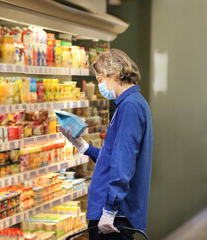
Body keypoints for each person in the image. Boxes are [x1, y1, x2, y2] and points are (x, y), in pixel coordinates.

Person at [60, 49, 153, 240]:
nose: (100, 85)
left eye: (100, 79)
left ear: (114, 74)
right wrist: (84, 147)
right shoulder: (131, 103)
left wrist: (110, 209)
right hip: (115, 212)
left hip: (115, 215)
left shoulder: (130, 106)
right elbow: (114, 156)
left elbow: (124, 161)